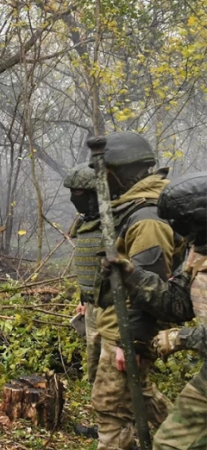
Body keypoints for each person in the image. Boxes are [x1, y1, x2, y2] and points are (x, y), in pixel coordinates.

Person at [89, 132, 186, 450]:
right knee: (135, 394)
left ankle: (186, 437)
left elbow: (150, 290)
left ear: (123, 172)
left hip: (128, 331)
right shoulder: (137, 209)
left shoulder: (147, 219)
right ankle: (188, 435)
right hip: (120, 327)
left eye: (107, 173)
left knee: (111, 408)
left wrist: (129, 342)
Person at [106, 171, 207, 450]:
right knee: (171, 443)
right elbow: (178, 302)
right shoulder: (199, 251)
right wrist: (132, 275)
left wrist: (181, 338)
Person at [63, 162, 102, 438]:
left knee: (115, 374)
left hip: (115, 308)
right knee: (96, 367)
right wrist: (83, 298)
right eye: (72, 191)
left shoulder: (116, 220)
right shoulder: (87, 220)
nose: (74, 196)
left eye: (79, 191)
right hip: (93, 304)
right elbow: (88, 264)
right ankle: (107, 426)